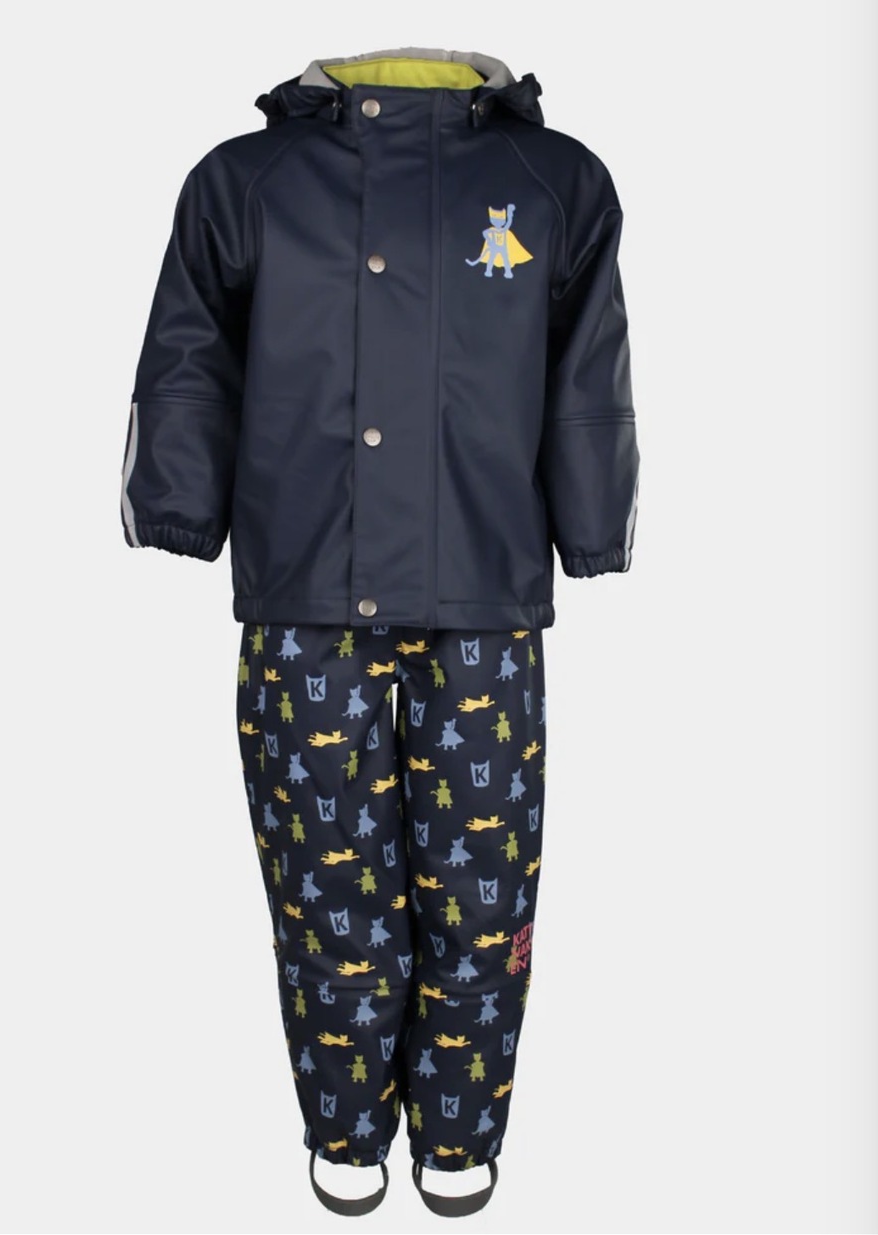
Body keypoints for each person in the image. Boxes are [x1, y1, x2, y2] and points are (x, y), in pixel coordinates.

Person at [120, 46, 640, 1217]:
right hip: (306, 591)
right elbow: (189, 350)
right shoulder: (244, 181)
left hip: (484, 593)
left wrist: (592, 521)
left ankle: (458, 1134)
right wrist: (178, 501)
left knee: (482, 895)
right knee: (326, 893)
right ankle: (345, 1128)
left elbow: (587, 366)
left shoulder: (555, 179)